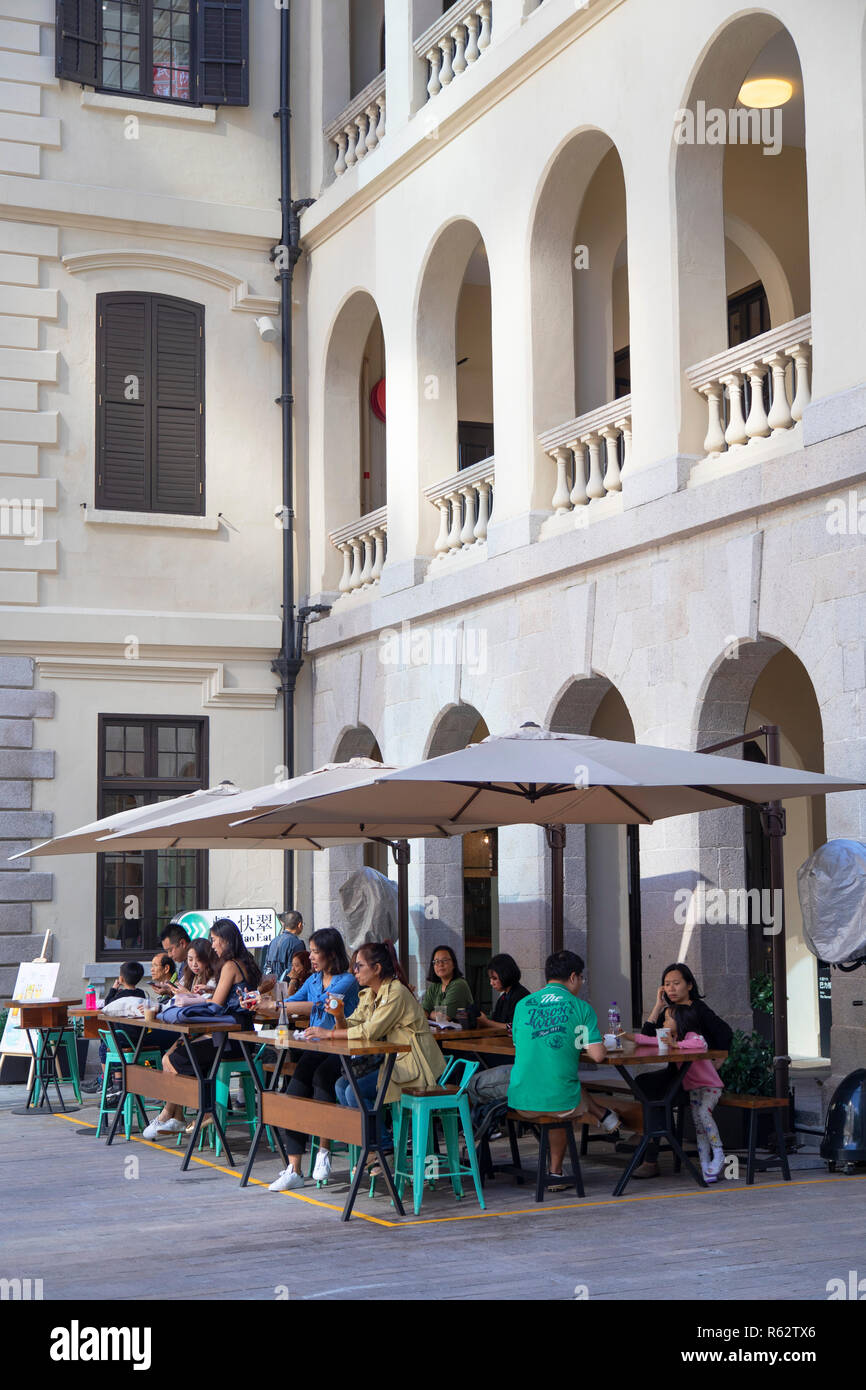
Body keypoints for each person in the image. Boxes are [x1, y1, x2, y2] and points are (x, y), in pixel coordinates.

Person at [308, 941, 446, 1174]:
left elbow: (370, 1030)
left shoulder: (396, 992)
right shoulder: (369, 994)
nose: (355, 971)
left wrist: (329, 1033)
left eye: (359, 966)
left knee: (354, 1090)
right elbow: (354, 1023)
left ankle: (383, 1148)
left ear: (377, 968)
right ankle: (374, 1146)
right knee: (342, 1085)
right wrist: (339, 1016)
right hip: (390, 1062)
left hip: (413, 1065)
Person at [142, 919, 261, 1141]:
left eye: (215, 940)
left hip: (230, 1038)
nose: (213, 945)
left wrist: (190, 998)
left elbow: (215, 1005)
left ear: (225, 940)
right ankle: (178, 1115)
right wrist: (202, 993)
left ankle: (204, 1108)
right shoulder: (243, 963)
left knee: (176, 1058)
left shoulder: (230, 966)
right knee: (174, 1054)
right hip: (238, 1034)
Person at [507, 950, 619, 1186]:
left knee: (561, 1083)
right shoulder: (581, 1008)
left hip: (520, 1098)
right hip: (560, 1100)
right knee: (563, 1095)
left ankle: (604, 1116)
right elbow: (597, 1056)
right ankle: (555, 1172)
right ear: (573, 977)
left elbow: (521, 1044)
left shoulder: (522, 1005)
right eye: (581, 978)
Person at [262, 927, 360, 1190]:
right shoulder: (314, 980)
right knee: (294, 1093)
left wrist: (276, 1006)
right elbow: (292, 1001)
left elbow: (317, 1005)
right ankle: (294, 1168)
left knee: (321, 1078)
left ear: (331, 953)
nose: (312, 957)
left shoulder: (347, 980)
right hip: (316, 1048)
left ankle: (324, 1150)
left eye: (316, 952)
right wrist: (262, 1002)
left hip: (344, 1051)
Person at [624, 961, 732, 1180]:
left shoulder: (697, 1010)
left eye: (676, 983)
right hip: (677, 1076)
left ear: (689, 985)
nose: (671, 988)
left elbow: (725, 1033)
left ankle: (651, 1154)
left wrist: (717, 1060)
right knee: (645, 1084)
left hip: (697, 1080)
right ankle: (659, 1135)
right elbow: (647, 1038)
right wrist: (656, 1007)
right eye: (666, 984)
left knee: (654, 1094)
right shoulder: (669, 1012)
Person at [632, 1002, 725, 1183]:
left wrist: (676, 1044)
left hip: (710, 1087)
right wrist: (627, 1036)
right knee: (698, 1125)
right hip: (694, 1089)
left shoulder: (690, 1036)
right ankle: (705, 1164)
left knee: (704, 1115)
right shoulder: (672, 1039)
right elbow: (648, 1040)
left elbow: (700, 1042)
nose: (664, 1023)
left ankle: (719, 1152)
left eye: (667, 1019)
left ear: (680, 1021)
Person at [82, 961, 147, 1097]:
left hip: (122, 1038)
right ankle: (117, 1081)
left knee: (106, 1046)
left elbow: (107, 1004)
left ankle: (108, 1081)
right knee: (113, 1044)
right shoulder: (141, 993)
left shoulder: (120, 996)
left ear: (121, 978)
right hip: (138, 1037)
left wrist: (113, 989)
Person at [421, 945, 474, 1020]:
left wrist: (430, 1013)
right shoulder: (434, 986)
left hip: (462, 1031)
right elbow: (422, 1012)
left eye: (445, 960)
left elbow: (445, 1017)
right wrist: (431, 1014)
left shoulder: (459, 984)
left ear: (453, 964)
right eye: (436, 961)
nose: (440, 964)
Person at [264, 909, 305, 980]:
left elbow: (267, 967)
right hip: (289, 987)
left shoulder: (273, 941)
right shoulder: (297, 943)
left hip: (271, 985)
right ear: (299, 925)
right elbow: (299, 971)